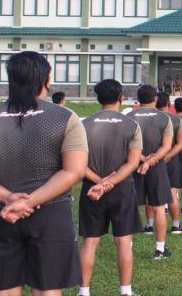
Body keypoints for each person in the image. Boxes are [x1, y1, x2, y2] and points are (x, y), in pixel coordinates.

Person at [0, 51, 88, 294]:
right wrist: (29, 201)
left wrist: (9, 199)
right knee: (48, 289)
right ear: (47, 79)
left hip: (1, 214)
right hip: (50, 214)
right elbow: (74, 171)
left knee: (3, 288)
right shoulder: (65, 117)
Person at [78, 79, 143, 296]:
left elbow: (78, 164)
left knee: (89, 242)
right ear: (120, 98)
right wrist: (108, 184)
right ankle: (125, 291)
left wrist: (99, 182)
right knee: (123, 241)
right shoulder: (131, 126)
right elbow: (132, 163)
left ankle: (84, 291)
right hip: (122, 188)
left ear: (98, 99)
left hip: (91, 189)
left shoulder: (83, 125)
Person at [127, 85, 173, 260]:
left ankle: (128, 248)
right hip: (157, 167)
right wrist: (150, 162)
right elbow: (166, 146)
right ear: (155, 99)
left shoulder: (129, 117)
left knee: (130, 208)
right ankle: (160, 249)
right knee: (159, 208)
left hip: (132, 166)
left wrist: (142, 159)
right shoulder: (164, 118)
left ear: (138, 99)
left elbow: (126, 145)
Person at [153, 92, 182, 234]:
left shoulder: (151, 119)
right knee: (172, 193)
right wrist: (169, 155)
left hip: (153, 159)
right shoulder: (177, 120)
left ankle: (149, 225)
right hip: (171, 160)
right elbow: (181, 142)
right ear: (169, 104)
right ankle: (176, 225)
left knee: (152, 193)